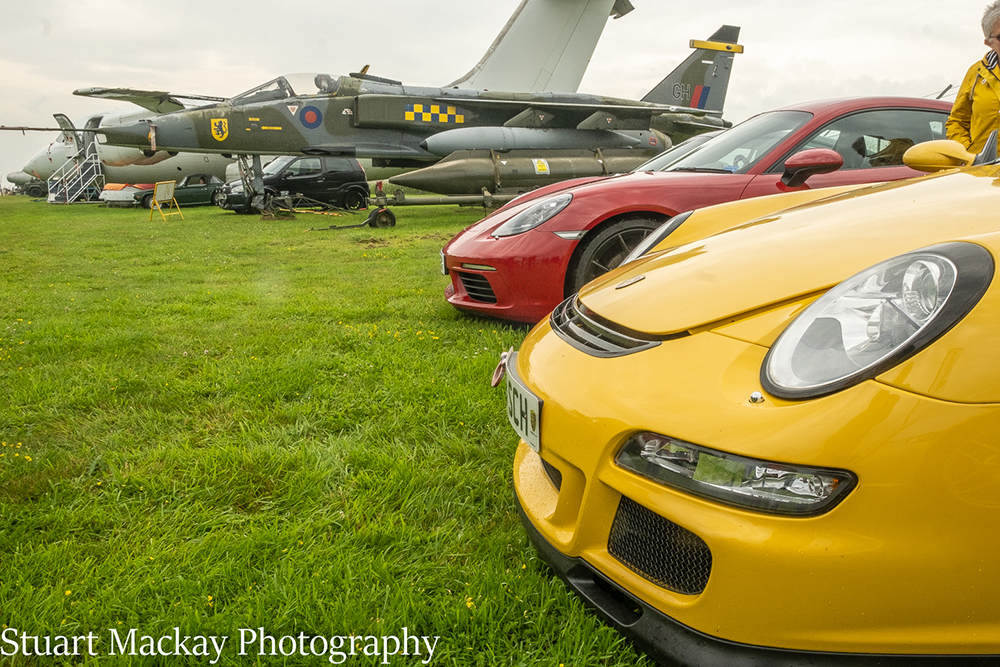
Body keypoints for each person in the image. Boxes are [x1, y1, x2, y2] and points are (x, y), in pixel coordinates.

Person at [947, 1, 1000, 151]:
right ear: (988, 43)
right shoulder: (975, 73)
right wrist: (969, 155)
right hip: (985, 165)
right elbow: (957, 122)